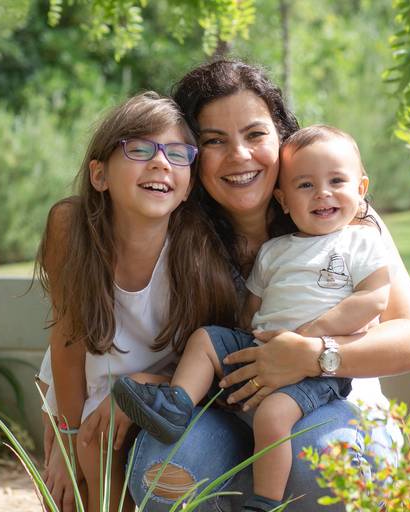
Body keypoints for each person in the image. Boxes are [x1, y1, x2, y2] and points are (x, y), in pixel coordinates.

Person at [120, 60, 410, 512]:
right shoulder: (181, 230)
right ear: (192, 153)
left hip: (330, 405)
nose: (239, 155)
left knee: (320, 463)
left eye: (255, 134)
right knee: (164, 469)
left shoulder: (347, 221)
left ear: (281, 137)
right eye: (214, 141)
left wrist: (314, 353)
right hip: (230, 413)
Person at [34, 91, 238, 512]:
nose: (161, 162)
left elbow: (214, 360)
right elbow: (68, 341)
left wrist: (148, 386)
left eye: (177, 154)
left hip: (163, 394)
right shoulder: (71, 228)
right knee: (70, 491)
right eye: (140, 149)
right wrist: (66, 438)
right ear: (99, 175)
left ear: (188, 187)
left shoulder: (198, 256)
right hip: (82, 389)